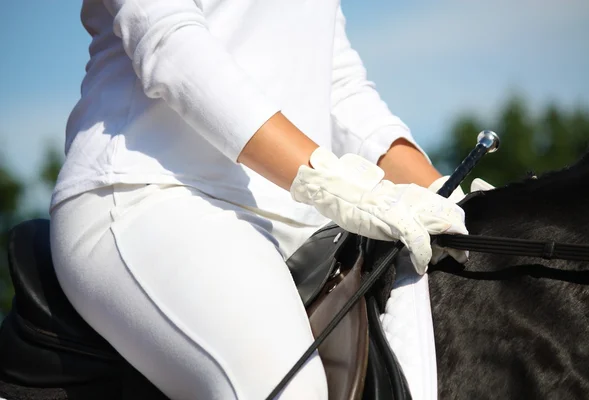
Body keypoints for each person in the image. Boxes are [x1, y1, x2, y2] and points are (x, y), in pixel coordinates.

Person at [49, 1, 488, 399]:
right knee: (289, 387)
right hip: (151, 192)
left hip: (296, 221)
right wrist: (329, 179)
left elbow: (336, 86)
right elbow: (169, 42)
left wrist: (448, 197)